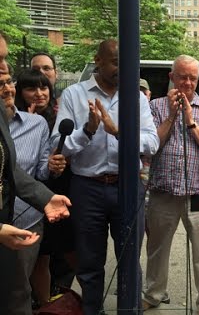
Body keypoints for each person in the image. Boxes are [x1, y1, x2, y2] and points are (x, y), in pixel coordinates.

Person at [51, 39, 159, 315]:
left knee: (129, 260)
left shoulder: (136, 98)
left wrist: (118, 131)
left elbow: (152, 142)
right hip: (87, 188)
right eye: (115, 62)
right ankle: (92, 310)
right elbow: (58, 146)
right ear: (97, 60)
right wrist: (87, 129)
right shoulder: (75, 95)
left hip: (127, 185)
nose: (122, 69)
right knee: (89, 262)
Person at [143, 55, 199, 314]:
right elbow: (150, 148)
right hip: (163, 190)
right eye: (182, 77)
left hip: (198, 192)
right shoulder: (154, 106)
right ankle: (154, 293)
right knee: (157, 247)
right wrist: (171, 114)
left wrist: (190, 120)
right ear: (172, 77)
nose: (188, 83)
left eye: (192, 78)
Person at [0, 32, 71, 313]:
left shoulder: (31, 123)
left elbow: (8, 168)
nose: (5, 70)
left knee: (16, 293)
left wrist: (44, 197)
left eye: (5, 60)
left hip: (21, 221)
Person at [15, 69, 74, 307]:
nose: (39, 94)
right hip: (21, 206)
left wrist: (54, 165)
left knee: (47, 257)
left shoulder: (54, 119)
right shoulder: (13, 122)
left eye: (43, 87)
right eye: (31, 88)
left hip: (53, 197)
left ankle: (46, 303)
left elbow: (42, 169)